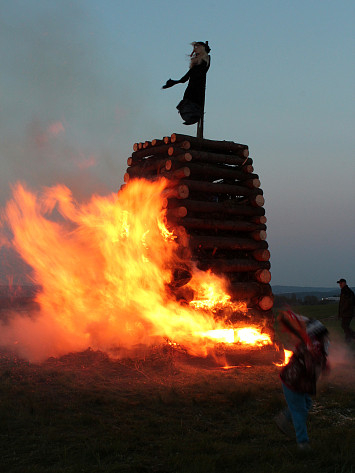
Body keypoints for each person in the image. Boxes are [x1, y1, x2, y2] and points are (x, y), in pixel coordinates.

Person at [275, 310, 330, 450]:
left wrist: (324, 366)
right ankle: (303, 442)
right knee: (299, 410)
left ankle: (284, 416)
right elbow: (312, 360)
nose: (325, 339)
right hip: (292, 382)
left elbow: (306, 322)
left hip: (301, 383)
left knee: (305, 404)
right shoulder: (309, 349)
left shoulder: (316, 346)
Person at [162, 41, 211, 125]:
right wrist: (174, 82)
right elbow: (185, 78)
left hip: (197, 88)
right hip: (192, 88)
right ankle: (191, 117)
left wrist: (175, 82)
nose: (194, 50)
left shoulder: (205, 59)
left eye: (197, 48)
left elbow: (192, 75)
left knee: (193, 103)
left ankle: (194, 117)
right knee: (188, 103)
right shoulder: (196, 63)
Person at [337, 278, 355, 343]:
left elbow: (348, 302)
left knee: (344, 326)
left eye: (341, 283)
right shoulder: (344, 291)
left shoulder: (347, 291)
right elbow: (341, 303)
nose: (340, 284)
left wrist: (343, 311)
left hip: (347, 312)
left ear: (344, 283)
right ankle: (348, 340)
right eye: (339, 283)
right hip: (346, 313)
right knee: (345, 326)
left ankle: (352, 336)